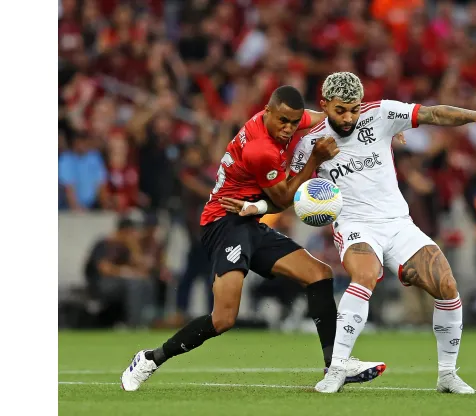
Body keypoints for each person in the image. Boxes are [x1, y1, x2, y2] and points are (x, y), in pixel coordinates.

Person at [221, 72, 476, 394]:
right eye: (340, 111)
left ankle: (447, 375)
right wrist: (259, 209)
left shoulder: (381, 114)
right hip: (355, 226)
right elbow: (290, 194)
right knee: (365, 275)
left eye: (354, 109)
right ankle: (335, 370)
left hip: (398, 223)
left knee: (446, 285)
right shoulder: (310, 143)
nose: (348, 118)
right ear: (325, 105)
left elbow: (432, 113)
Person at [121, 85, 386, 391]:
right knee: (223, 319)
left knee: (319, 274)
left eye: (293, 122)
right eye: (283, 121)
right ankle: (150, 359)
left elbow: (325, 119)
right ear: (268, 111)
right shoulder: (261, 149)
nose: (288, 129)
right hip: (224, 224)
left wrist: (378, 134)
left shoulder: (286, 119)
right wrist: (313, 159)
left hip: (248, 221)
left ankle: (334, 366)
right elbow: (285, 198)